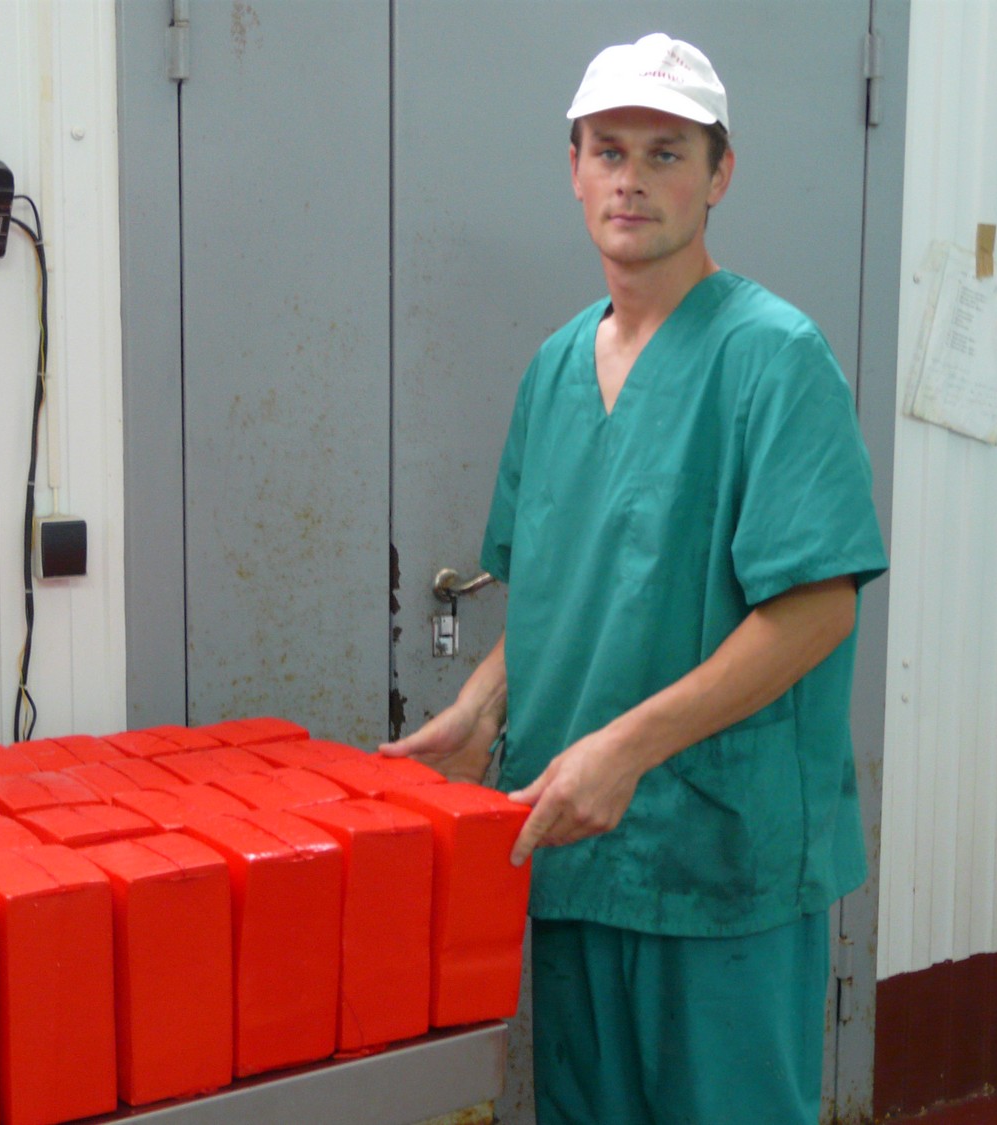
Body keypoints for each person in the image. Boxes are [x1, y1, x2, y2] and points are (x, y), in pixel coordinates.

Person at [379, 31, 889, 1125]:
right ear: (573, 169)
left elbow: (817, 608)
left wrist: (627, 749)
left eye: (667, 154)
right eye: (609, 151)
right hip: (571, 842)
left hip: (721, 858)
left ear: (720, 174)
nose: (633, 180)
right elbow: (561, 585)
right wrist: (484, 705)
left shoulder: (773, 357)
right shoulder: (556, 368)